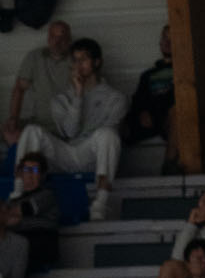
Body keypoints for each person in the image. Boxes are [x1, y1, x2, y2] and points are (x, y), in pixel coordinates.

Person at [13, 35, 127, 221]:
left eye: (84, 59)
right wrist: (78, 95)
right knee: (32, 131)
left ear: (97, 62)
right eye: (75, 60)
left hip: (92, 156)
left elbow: (108, 141)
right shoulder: (61, 100)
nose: (78, 65)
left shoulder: (115, 98)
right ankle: (18, 192)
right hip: (66, 153)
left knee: (107, 134)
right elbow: (69, 132)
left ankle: (100, 202)